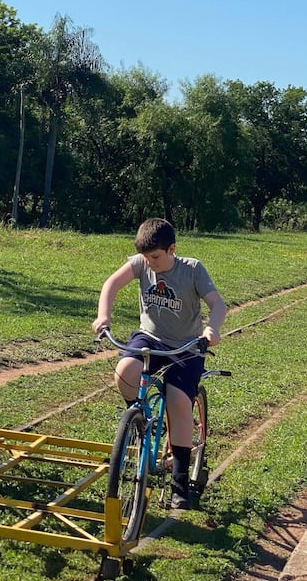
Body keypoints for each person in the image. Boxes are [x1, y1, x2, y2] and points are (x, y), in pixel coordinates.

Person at [92, 217, 227, 510]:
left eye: (155, 256)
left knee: (179, 403)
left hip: (187, 347)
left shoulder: (192, 269)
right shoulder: (141, 264)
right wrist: (104, 316)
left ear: (171, 249)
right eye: (145, 256)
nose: (149, 262)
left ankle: (180, 482)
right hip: (149, 338)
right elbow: (111, 285)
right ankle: (138, 420)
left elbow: (218, 304)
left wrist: (212, 330)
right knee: (124, 373)